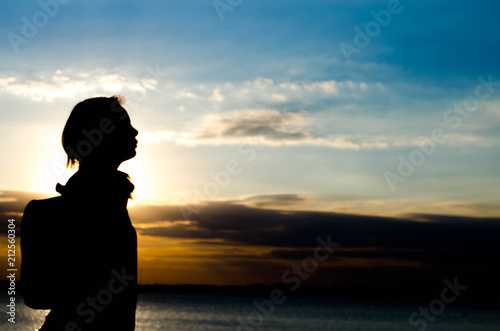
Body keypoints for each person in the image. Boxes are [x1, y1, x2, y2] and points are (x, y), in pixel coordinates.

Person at [21, 96, 139, 330]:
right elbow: (35, 296)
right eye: (124, 125)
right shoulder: (44, 213)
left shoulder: (116, 205)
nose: (135, 131)